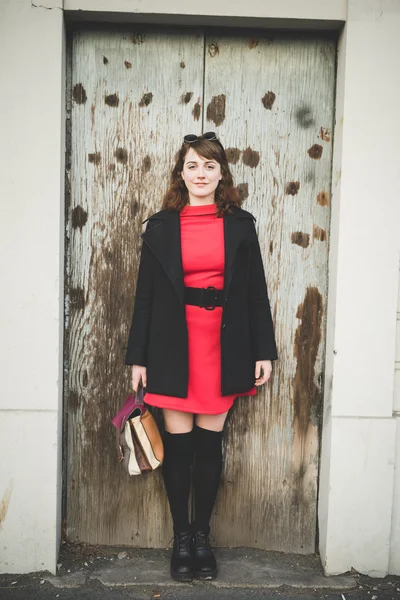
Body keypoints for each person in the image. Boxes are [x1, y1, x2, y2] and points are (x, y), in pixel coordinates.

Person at [125, 131, 278, 582]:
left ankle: (202, 538)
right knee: (179, 444)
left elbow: (254, 294)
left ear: (221, 174)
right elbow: (145, 299)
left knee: (210, 444)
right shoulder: (160, 227)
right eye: (192, 166)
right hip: (173, 344)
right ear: (181, 173)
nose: (201, 174)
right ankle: (181, 540)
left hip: (224, 344)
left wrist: (263, 350)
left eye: (210, 166)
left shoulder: (241, 225)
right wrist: (139, 357)